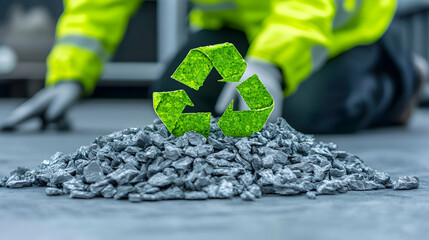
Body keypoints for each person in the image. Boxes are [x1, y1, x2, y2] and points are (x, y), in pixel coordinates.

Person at [1, 0, 424, 133]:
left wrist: (271, 66)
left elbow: (307, 7)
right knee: (176, 104)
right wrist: (71, 75)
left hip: (333, 29)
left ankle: (401, 77)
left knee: (307, 114)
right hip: (235, 26)